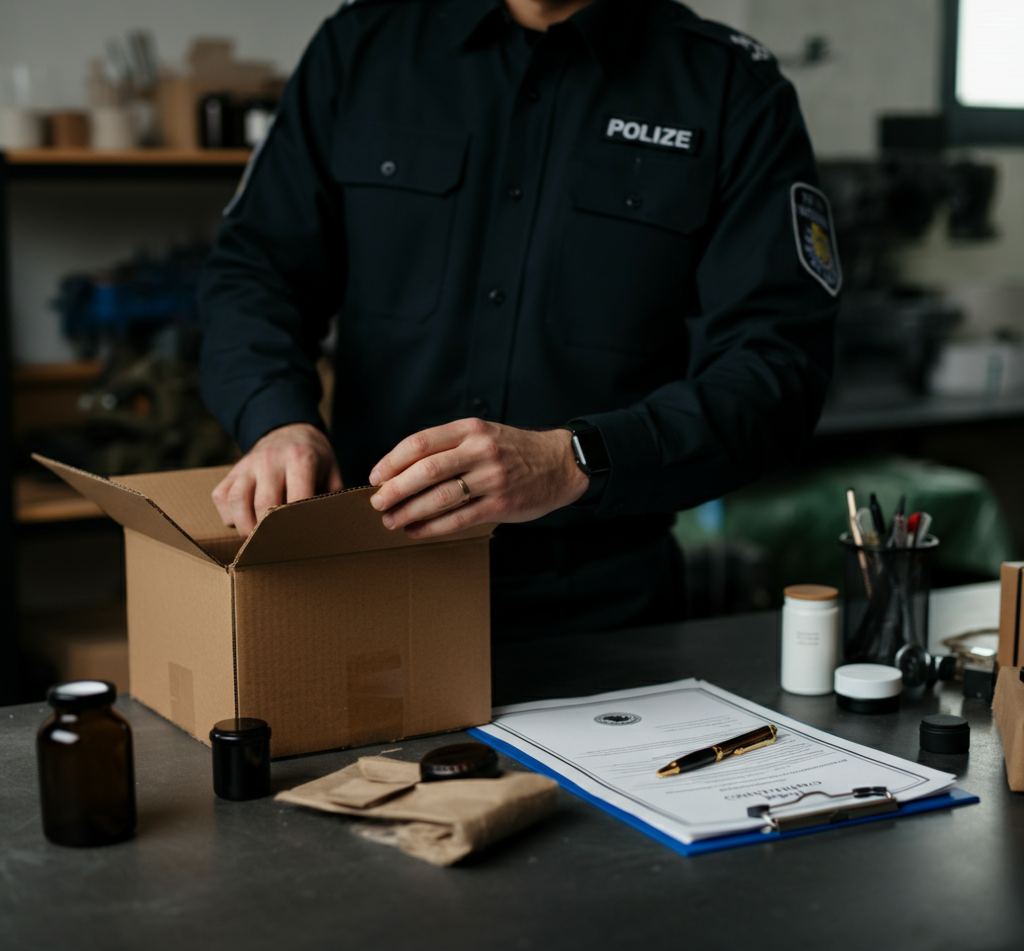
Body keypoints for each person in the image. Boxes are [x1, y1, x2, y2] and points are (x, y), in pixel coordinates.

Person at [199, 0, 839, 641]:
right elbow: (253, 272)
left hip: (602, 612)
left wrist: (576, 459)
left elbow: (777, 366)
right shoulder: (363, 48)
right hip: (370, 582)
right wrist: (279, 420)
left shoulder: (729, 85)